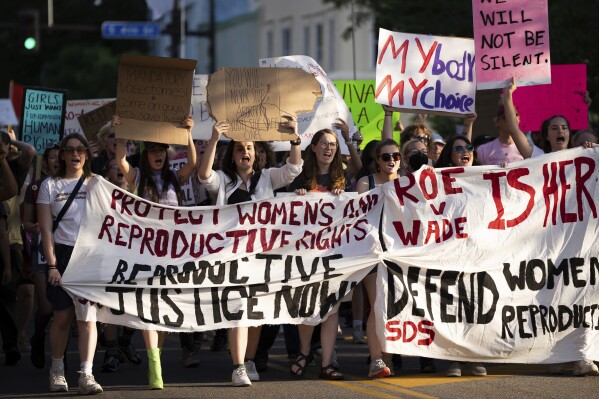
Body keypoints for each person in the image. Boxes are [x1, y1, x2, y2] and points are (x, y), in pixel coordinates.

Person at [197, 117, 303, 387]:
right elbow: (203, 176)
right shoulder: (223, 180)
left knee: (253, 311)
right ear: (232, 156)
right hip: (229, 256)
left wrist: (294, 137)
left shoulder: (268, 178)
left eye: (249, 148)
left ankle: (249, 360)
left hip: (261, 257)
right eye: (239, 149)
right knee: (237, 309)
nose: (245, 152)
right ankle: (238, 366)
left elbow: (293, 168)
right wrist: (213, 139)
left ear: (257, 155)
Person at [115, 115, 196, 389]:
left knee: (162, 313)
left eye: (161, 150)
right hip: (147, 254)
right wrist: (122, 133)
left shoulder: (174, 178)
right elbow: (120, 161)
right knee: (149, 311)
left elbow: (194, 164)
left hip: (172, 255)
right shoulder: (137, 177)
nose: (158, 154)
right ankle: (154, 368)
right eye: (152, 150)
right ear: (146, 155)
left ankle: (156, 358)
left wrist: (188, 133)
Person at [37, 133, 103, 394]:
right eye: (70, 149)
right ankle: (57, 370)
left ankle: (86, 375)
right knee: (63, 317)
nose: (75, 154)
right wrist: (52, 265)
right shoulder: (49, 186)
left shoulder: (96, 183)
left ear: (87, 155)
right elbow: (45, 229)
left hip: (89, 256)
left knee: (87, 318)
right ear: (62, 154)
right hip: (61, 256)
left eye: (80, 150)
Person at [288, 128, 355, 381]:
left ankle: (327, 362)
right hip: (306, 255)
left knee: (331, 308)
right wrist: (297, 198)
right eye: (324, 144)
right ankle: (304, 352)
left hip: (335, 254)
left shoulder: (343, 180)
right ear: (314, 147)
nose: (329, 148)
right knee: (305, 304)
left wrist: (343, 199)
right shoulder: (300, 179)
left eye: (333, 145)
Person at [435, 134, 487, 377]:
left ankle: (473, 355)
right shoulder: (437, 181)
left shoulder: (485, 177)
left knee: (476, 303)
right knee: (453, 305)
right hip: (450, 253)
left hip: (478, 251)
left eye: (469, 147)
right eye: (459, 149)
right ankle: (454, 358)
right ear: (449, 155)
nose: (466, 151)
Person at [355, 138, 401, 378]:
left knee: (393, 306)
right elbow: (360, 218)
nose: (391, 160)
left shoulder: (408, 183)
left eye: (396, 156)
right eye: (385, 157)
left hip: (400, 255)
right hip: (372, 252)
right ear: (377, 161)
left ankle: (387, 358)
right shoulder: (366, 183)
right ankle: (376, 359)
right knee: (377, 303)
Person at [22, 142, 60, 368]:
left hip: (64, 251)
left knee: (63, 310)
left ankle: (60, 359)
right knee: (46, 307)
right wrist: (35, 227)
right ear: (45, 163)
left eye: (59, 157)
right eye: (52, 158)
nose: (56, 161)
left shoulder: (71, 186)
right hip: (40, 252)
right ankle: (38, 338)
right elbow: (26, 222)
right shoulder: (35, 188)